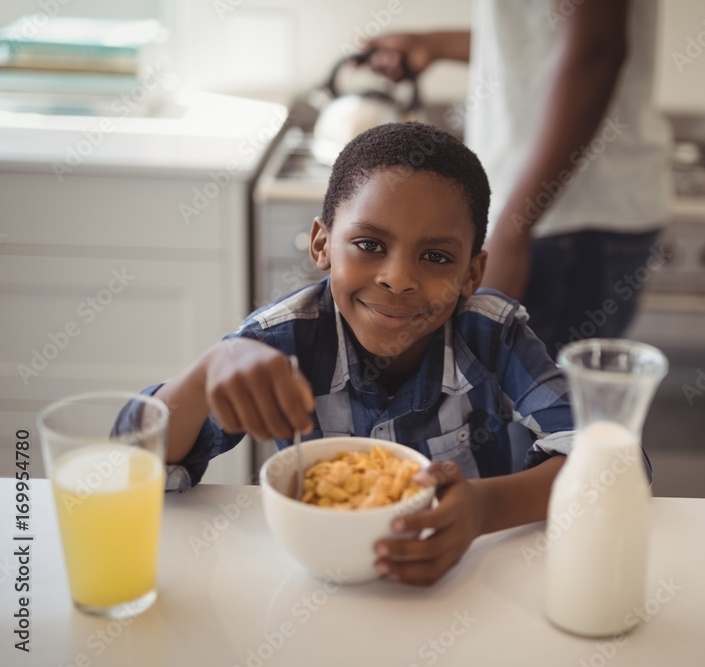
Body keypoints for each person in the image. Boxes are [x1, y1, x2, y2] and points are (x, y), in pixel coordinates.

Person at [143, 122, 574, 586]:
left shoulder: (493, 334)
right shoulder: (277, 342)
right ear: (322, 244)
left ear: (472, 274)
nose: (398, 278)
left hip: (466, 583)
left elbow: (606, 460)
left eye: (435, 257)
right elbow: (138, 463)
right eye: (370, 245)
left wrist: (484, 507)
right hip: (319, 584)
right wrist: (209, 368)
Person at [365, 0, 671, 358]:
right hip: (551, 221)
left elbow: (598, 48)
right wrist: (433, 44)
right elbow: (536, 40)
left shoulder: (532, 231)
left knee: (537, 407)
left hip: (566, 224)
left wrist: (513, 230)